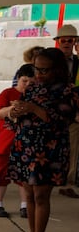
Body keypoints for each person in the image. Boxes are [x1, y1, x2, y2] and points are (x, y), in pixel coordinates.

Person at [8, 48, 75, 232]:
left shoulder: (66, 90)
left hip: (49, 149)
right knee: (28, 192)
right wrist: (17, 111)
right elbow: (23, 110)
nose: (39, 74)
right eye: (37, 69)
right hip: (27, 145)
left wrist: (33, 108)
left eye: (44, 70)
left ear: (56, 69)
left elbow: (63, 119)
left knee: (41, 194)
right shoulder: (33, 87)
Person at [0, 66, 35, 218]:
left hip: (27, 143)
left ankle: (25, 205)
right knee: (0, 173)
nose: (27, 84)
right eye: (24, 81)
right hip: (5, 141)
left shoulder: (35, 97)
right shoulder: (7, 93)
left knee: (24, 176)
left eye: (31, 82)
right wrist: (13, 109)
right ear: (19, 78)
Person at [52, 25, 79, 199]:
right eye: (64, 40)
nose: (67, 43)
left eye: (71, 40)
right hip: (54, 113)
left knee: (73, 149)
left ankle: (68, 183)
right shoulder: (51, 62)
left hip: (74, 115)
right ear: (57, 42)